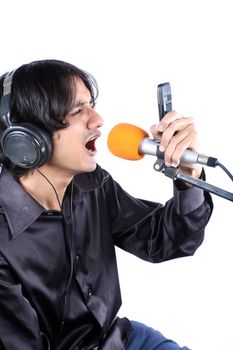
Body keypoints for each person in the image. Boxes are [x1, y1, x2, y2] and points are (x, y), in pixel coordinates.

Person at [0, 59, 213, 350]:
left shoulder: (92, 184)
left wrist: (189, 177)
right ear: (27, 137)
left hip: (122, 341)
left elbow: (167, 241)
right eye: (78, 110)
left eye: (92, 104)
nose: (98, 120)